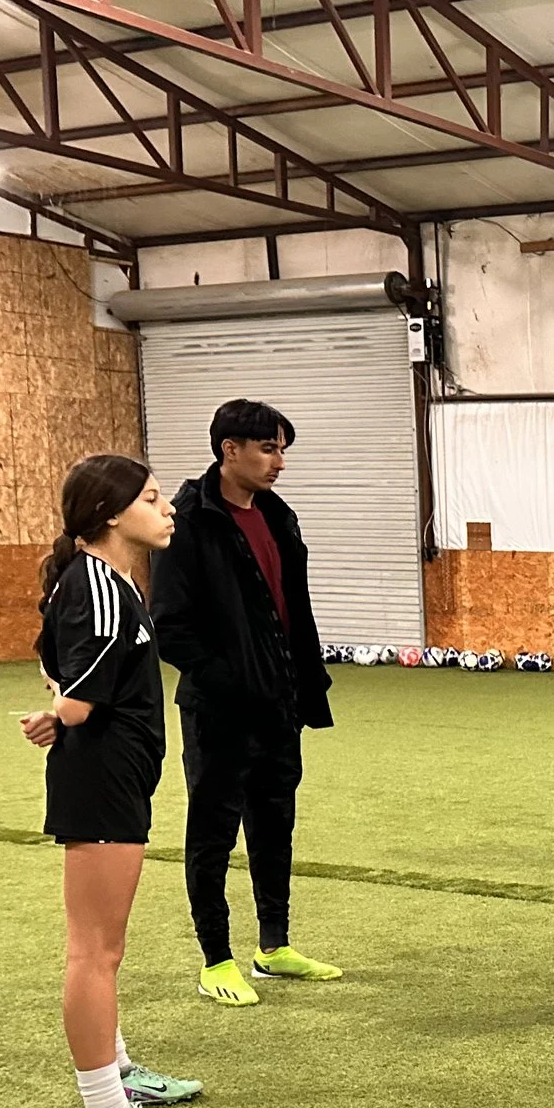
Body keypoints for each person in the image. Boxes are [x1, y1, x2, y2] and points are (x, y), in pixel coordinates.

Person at [19, 454, 205, 1108]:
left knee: (105, 947)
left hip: (115, 776)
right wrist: (62, 713)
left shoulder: (108, 581)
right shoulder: (97, 582)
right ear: (108, 514)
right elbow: (83, 686)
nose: (168, 510)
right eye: (152, 499)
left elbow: (57, 661)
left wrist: (59, 708)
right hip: (99, 780)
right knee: (93, 951)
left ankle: (118, 1074)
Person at [150, 399, 341, 1007]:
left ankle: (274, 945)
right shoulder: (189, 522)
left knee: (274, 823)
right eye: (268, 448)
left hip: (279, 706)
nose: (279, 461)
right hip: (219, 710)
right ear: (229, 450)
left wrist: (304, 685)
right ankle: (216, 959)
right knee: (211, 833)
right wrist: (229, 680)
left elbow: (296, 610)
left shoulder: (279, 517)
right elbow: (171, 627)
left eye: (283, 448)